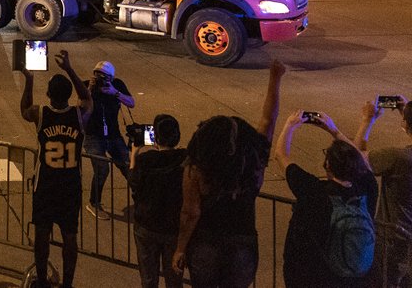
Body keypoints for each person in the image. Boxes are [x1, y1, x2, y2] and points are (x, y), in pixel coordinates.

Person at [173, 58, 286, 288]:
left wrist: (180, 248)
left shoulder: (197, 167)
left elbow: (190, 212)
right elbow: (268, 120)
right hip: (242, 243)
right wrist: (275, 79)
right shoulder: (253, 161)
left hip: (206, 242)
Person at [276, 110, 377, 287]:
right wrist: (334, 130)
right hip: (356, 281)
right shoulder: (367, 190)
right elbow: (362, 161)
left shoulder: (314, 190)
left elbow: (281, 155)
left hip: (316, 278)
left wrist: (290, 126)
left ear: (328, 165)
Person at [19, 50, 93, 288]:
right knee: (70, 236)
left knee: (42, 234)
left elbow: (24, 108)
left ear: (49, 95)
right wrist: (69, 69)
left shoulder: (42, 114)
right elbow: (88, 99)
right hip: (70, 185)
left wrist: (29, 80)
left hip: (46, 185)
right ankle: (68, 283)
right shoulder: (78, 115)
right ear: (69, 95)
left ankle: (42, 280)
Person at [356, 96, 412, 287]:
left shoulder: (397, 158)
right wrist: (405, 112)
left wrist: (367, 121)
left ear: (405, 123)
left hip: (394, 240)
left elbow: (356, 159)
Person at [129, 114, 186, 288]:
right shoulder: (185, 159)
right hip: (173, 228)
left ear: (156, 137)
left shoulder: (146, 160)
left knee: (148, 278)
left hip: (147, 226)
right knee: (174, 278)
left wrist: (133, 153)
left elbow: (133, 181)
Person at [83, 60, 136, 220]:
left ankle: (142, 201)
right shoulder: (87, 87)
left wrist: (115, 92)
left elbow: (132, 103)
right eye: (97, 74)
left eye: (104, 76)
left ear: (111, 78)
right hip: (93, 136)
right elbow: (80, 111)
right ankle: (94, 203)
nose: (100, 79)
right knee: (102, 169)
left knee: (128, 167)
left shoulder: (117, 85)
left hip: (113, 135)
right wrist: (89, 92)